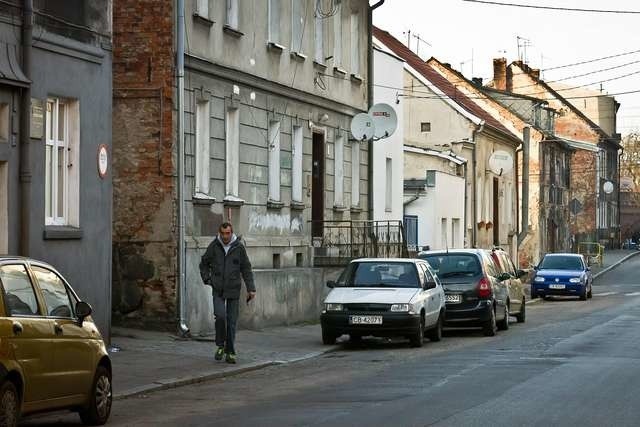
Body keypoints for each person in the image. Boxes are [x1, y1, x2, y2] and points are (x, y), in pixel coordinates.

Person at [199, 222, 256, 364]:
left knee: (231, 322)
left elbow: (246, 269)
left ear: (231, 233)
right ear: (220, 233)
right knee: (220, 316)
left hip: (233, 289)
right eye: (223, 233)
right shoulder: (214, 246)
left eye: (228, 233)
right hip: (218, 288)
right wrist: (207, 279)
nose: (225, 236)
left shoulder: (238, 247)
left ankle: (230, 351)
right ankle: (220, 345)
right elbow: (203, 263)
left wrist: (251, 288)